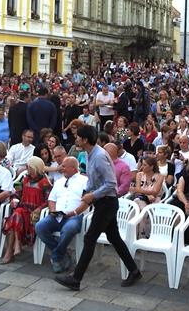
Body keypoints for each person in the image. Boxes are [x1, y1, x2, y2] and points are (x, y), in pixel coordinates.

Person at [55, 125, 142, 291]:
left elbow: (111, 184)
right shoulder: (89, 154)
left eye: (78, 136)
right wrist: (86, 192)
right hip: (102, 202)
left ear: (85, 139)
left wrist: (92, 195)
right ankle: (134, 270)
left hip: (107, 203)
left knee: (89, 238)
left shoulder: (100, 156)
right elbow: (93, 180)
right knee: (114, 238)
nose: (76, 139)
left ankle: (76, 279)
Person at [34, 156, 88, 273]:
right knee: (39, 227)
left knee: (69, 229)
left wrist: (74, 212)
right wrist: (53, 211)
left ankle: (57, 256)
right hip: (57, 215)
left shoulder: (84, 181)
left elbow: (86, 202)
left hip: (75, 216)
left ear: (73, 168)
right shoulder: (59, 182)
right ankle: (62, 253)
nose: (61, 169)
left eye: (64, 166)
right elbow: (51, 200)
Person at [0, 156, 51, 264]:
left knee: (16, 215)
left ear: (35, 168)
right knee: (17, 213)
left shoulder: (45, 182)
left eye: (29, 167)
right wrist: (14, 199)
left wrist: (39, 209)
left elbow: (48, 201)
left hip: (34, 214)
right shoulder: (25, 179)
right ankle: (15, 246)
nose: (27, 168)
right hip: (23, 209)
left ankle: (10, 251)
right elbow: (16, 193)